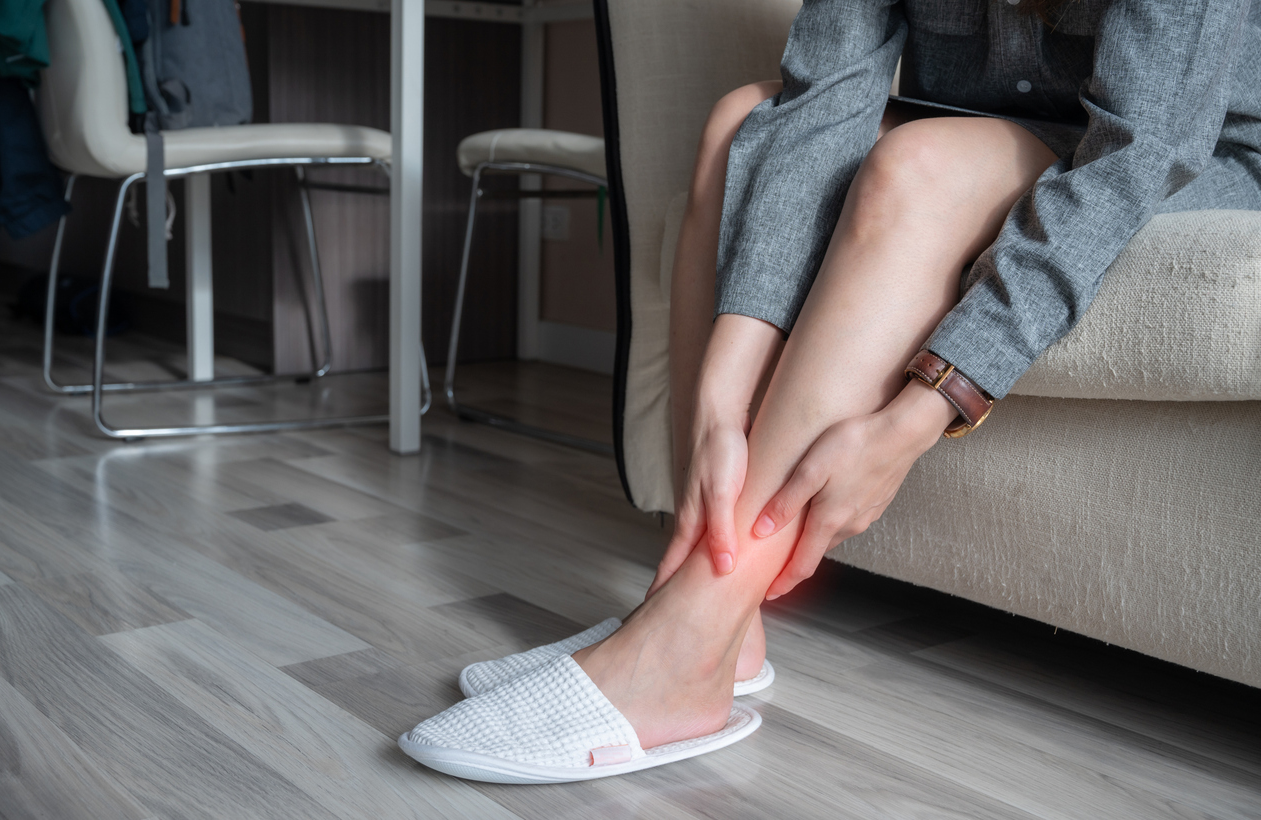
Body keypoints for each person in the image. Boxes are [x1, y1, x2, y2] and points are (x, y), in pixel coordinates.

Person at [402, 0, 1261, 780]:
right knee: (739, 116)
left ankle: (687, 649)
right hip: (1002, 121)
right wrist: (717, 394)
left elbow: (1139, 151)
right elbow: (824, 95)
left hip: (1183, 152)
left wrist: (923, 412)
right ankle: (703, 608)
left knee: (917, 166)